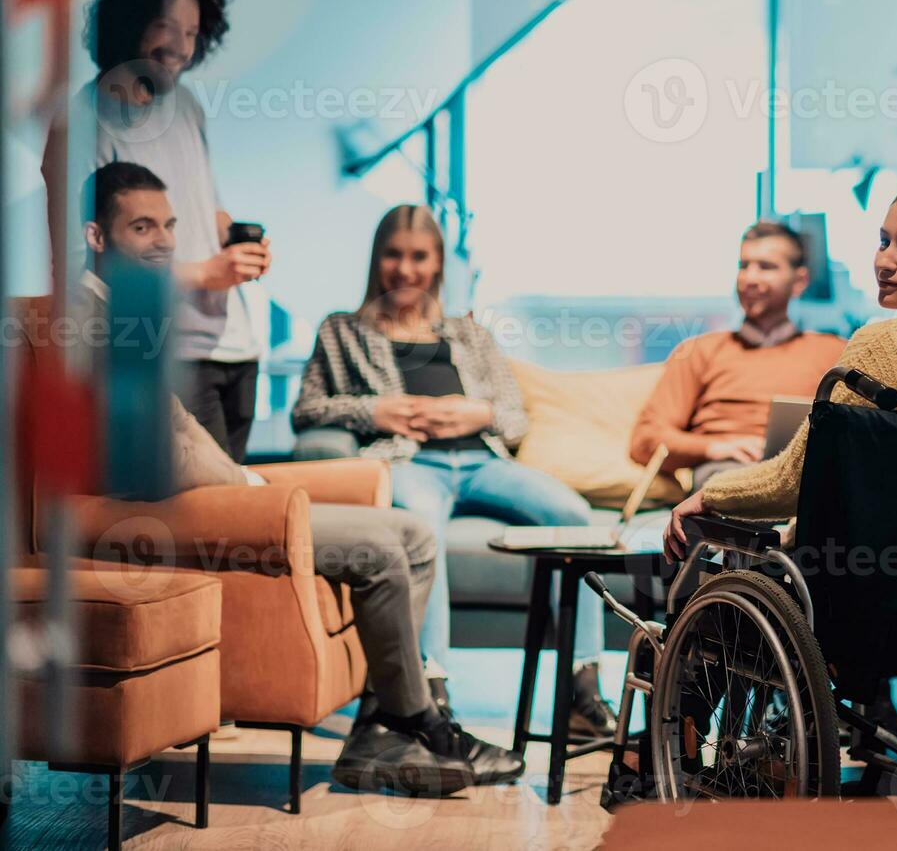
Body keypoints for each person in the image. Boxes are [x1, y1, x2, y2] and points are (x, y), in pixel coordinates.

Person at [78, 162, 523, 795]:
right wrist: (248, 487)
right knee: (379, 547)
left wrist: (245, 480)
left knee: (415, 538)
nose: (165, 242)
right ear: (97, 237)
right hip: (162, 511)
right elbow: (157, 456)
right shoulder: (86, 322)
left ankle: (379, 728)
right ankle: (421, 722)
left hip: (215, 493)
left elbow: (179, 431)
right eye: (141, 226)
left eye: (171, 225)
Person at [291, 204, 619, 736]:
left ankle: (583, 691)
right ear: (377, 259)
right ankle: (432, 691)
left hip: (480, 460)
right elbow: (306, 409)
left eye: (419, 257)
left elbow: (513, 416)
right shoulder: (342, 330)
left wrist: (477, 412)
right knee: (422, 527)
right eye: (394, 255)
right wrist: (377, 411)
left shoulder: (470, 333)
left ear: (438, 263)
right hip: (408, 461)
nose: (405, 269)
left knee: (574, 514)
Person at [664, 183, 897, 552]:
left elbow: (796, 481)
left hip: (862, 566)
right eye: (884, 242)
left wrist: (711, 495)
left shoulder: (882, 345)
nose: (884, 261)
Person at [42, 0, 271, 462]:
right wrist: (206, 272)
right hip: (164, 352)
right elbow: (87, 271)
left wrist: (239, 244)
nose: (181, 49)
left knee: (237, 514)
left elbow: (208, 207)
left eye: (192, 33)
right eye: (166, 28)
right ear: (128, 25)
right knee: (209, 517)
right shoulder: (80, 124)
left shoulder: (186, 105)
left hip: (234, 343)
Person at [630, 221, 845, 490]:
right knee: (732, 484)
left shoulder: (833, 352)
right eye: (744, 266)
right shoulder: (698, 351)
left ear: (799, 281)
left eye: (766, 267)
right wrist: (713, 447)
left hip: (807, 474)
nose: (749, 278)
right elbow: (645, 440)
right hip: (727, 472)